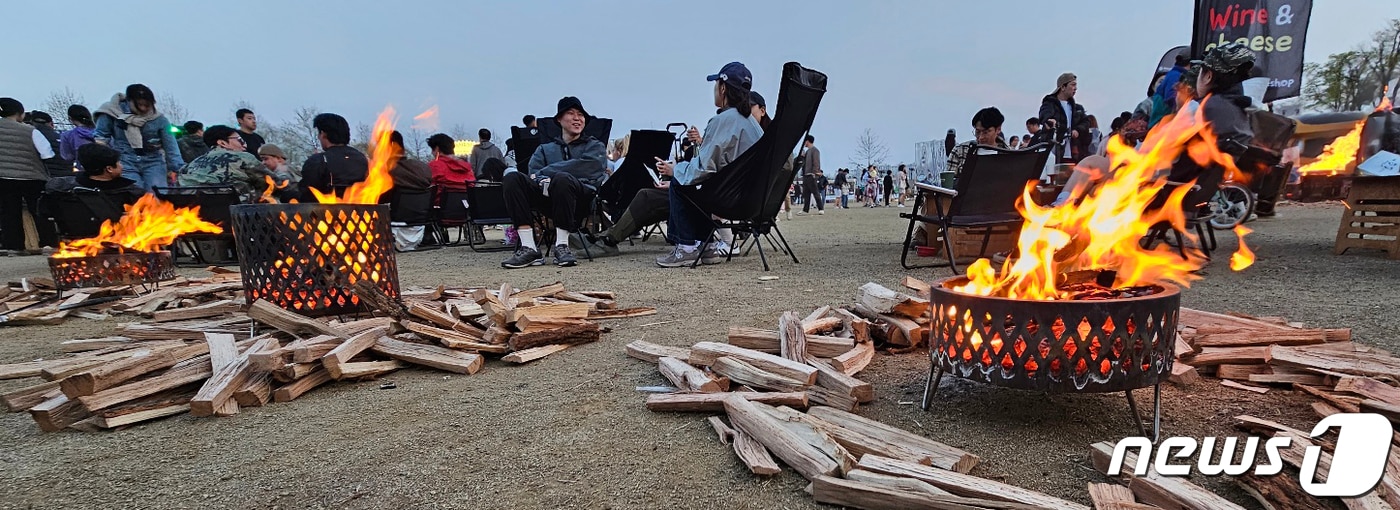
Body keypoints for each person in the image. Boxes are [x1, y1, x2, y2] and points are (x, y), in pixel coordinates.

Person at [652, 62, 763, 267]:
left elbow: (702, 169)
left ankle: (686, 247)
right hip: (753, 199)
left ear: (723, 88)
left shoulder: (723, 120)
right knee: (697, 184)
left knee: (681, 182)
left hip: (730, 200)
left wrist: (675, 169)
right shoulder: (752, 124)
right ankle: (708, 246)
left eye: (716, 85)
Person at [499, 96, 607, 269]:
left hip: (581, 199)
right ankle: (529, 247)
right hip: (547, 198)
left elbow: (591, 167)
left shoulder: (594, 146)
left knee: (562, 178)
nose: (577, 118)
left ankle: (562, 245)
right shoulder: (544, 149)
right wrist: (544, 178)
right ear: (559, 119)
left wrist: (548, 173)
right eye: (571, 114)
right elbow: (533, 174)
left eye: (580, 114)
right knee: (513, 178)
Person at [93, 84, 183, 190]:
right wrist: (105, 163)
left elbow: (171, 146)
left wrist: (176, 168)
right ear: (129, 101)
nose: (143, 108)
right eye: (140, 105)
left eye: (147, 105)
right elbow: (101, 139)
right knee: (132, 194)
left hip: (153, 161)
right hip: (124, 161)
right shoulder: (110, 112)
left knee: (158, 195)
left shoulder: (159, 119)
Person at [0, 97, 60, 252]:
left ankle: (13, 246)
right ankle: (48, 243)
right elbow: (47, 154)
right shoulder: (30, 131)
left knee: (9, 212)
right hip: (32, 176)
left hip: (4, 177)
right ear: (20, 114)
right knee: (39, 210)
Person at [44, 143, 145, 225]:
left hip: (77, 238)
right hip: (119, 238)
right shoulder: (132, 193)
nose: (121, 166)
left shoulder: (62, 186)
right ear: (109, 169)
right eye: (119, 163)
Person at [177, 125, 271, 202]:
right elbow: (275, 183)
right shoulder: (243, 158)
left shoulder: (189, 167)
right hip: (239, 217)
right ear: (222, 143)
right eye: (240, 140)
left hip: (197, 219)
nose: (244, 145)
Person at [298, 113, 368, 202]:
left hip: (325, 214)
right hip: (363, 213)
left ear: (323, 134)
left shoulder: (318, 161)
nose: (319, 137)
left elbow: (306, 195)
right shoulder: (364, 160)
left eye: (319, 134)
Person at [1038, 73, 1090, 164]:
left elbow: (1086, 122)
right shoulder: (1050, 103)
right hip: (1054, 152)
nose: (1075, 88)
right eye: (1073, 85)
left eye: (1076, 85)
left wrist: (1077, 130)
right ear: (1063, 87)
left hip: (1074, 152)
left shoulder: (1078, 108)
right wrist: (1049, 121)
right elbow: (1044, 114)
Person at [946, 107, 1009, 177]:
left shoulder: (1009, 155)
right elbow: (949, 183)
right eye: (977, 132)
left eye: (986, 132)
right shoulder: (960, 151)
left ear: (998, 129)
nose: (981, 137)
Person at [27, 111, 71, 177]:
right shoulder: (62, 138)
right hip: (68, 177)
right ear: (51, 124)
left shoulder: (30, 137)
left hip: (44, 177)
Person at [799, 135, 824, 214]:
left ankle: (821, 208)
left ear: (807, 141)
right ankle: (805, 210)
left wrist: (815, 172)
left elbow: (816, 162)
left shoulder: (815, 150)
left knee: (815, 192)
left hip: (811, 175)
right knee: (806, 194)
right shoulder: (807, 151)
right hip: (806, 175)